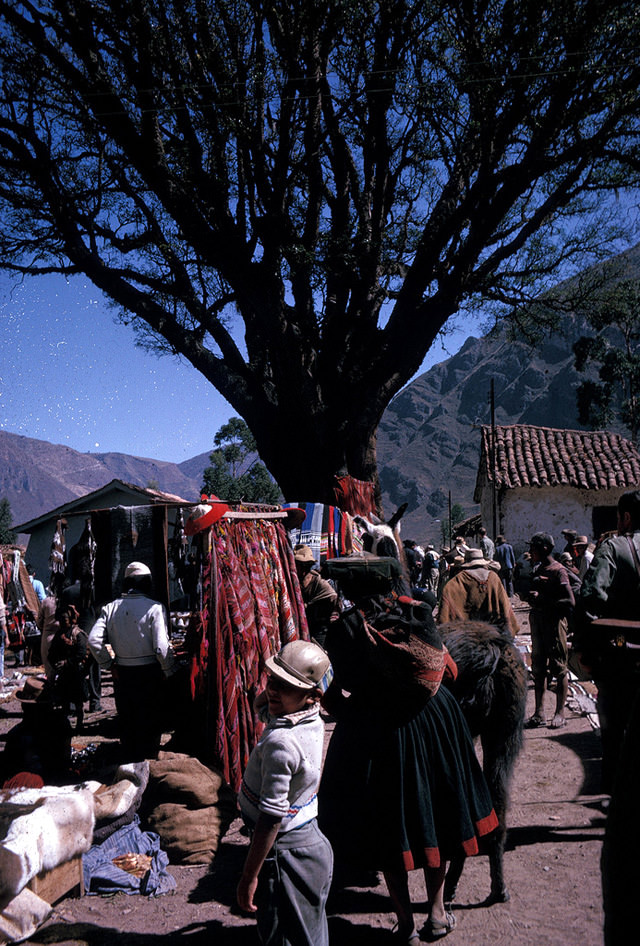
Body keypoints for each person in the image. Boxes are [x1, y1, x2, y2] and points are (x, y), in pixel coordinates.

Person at [319, 594, 498, 943]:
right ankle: (436, 912)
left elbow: (335, 698)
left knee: (389, 830)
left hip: (376, 734)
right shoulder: (412, 617)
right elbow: (451, 671)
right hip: (432, 723)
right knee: (437, 817)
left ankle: (405, 926)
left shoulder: (348, 630)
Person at [237, 640, 334, 946]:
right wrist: (280, 686)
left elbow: (270, 819)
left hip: (284, 853)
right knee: (308, 933)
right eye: (272, 681)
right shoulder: (309, 718)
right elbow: (264, 707)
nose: (274, 691)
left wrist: (249, 876)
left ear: (312, 696)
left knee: (283, 937)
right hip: (307, 840)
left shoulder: (281, 742)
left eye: (286, 686)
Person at [573, 490, 640, 793]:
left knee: (615, 733)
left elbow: (590, 601)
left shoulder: (614, 548)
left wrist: (585, 652)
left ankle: (618, 800)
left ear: (625, 518)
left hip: (623, 656)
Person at [88, 561, 175, 760]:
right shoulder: (154, 608)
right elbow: (161, 648)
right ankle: (148, 770)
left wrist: (109, 665)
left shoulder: (110, 608)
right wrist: (169, 671)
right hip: (149, 675)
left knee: (128, 725)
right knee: (150, 725)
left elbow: (93, 641)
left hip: (123, 675)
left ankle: (129, 770)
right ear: (147, 583)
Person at [526, 532, 574, 730]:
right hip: (538, 623)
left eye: (534, 547)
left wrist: (543, 599)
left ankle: (559, 713)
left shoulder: (559, 571)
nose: (530, 551)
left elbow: (570, 602)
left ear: (545, 548)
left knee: (559, 668)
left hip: (554, 625)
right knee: (538, 669)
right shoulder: (539, 568)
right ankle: (539, 712)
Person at [437, 548, 519, 636]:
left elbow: (445, 614)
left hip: (465, 636)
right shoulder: (493, 578)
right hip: (493, 634)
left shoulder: (456, 581)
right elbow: (504, 605)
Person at [293, 545, 339, 648]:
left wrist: (311, 607)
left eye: (306, 566)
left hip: (318, 629)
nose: (303, 570)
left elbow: (333, 599)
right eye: (300, 565)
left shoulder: (319, 583)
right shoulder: (293, 582)